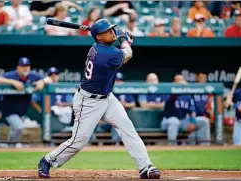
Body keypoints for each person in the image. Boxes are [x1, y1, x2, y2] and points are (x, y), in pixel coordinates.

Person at [37, 19, 161, 179]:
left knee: (128, 129)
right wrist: (125, 40)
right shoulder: (104, 54)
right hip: (88, 102)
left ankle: (145, 166)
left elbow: (120, 50)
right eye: (108, 31)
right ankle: (47, 160)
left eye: (112, 30)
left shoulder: (102, 47)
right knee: (78, 141)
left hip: (107, 98)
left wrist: (123, 40)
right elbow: (127, 55)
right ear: (99, 38)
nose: (112, 32)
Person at [0, 57, 51, 146]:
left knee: (16, 129)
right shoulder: (12, 75)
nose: (25, 68)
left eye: (27, 66)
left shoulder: (32, 76)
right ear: (18, 68)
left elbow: (49, 79)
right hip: (9, 110)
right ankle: (11, 146)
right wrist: (12, 82)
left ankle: (9, 146)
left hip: (22, 112)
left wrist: (42, 81)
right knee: (19, 127)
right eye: (22, 66)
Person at [161, 74, 210, 145]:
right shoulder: (169, 91)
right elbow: (168, 99)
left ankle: (203, 146)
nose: (180, 82)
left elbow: (192, 110)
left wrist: (192, 121)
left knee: (204, 121)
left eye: (181, 80)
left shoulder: (187, 95)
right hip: (168, 121)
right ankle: (172, 147)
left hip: (183, 121)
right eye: (178, 81)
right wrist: (176, 88)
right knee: (174, 122)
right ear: (173, 83)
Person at [225, 75, 241, 146]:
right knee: (237, 146)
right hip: (240, 124)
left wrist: (232, 104)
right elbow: (226, 106)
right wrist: (228, 100)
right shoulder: (237, 93)